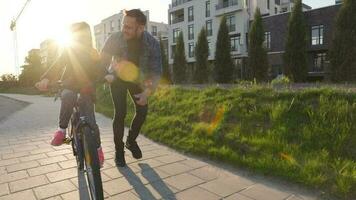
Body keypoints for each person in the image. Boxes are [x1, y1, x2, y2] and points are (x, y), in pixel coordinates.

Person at [35, 22, 104, 167]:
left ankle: (98, 148)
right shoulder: (69, 51)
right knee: (67, 96)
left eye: (83, 35)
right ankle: (61, 132)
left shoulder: (93, 52)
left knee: (91, 122)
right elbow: (58, 64)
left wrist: (108, 75)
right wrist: (46, 78)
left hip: (86, 89)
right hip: (70, 86)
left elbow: (101, 68)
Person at [100, 9, 162, 167]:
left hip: (137, 79)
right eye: (123, 25)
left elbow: (156, 71)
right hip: (118, 78)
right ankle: (119, 151)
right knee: (120, 113)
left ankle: (130, 140)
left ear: (140, 28)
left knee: (143, 110)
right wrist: (105, 75)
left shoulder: (152, 43)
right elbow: (102, 61)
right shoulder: (115, 38)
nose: (124, 29)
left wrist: (147, 92)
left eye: (129, 27)